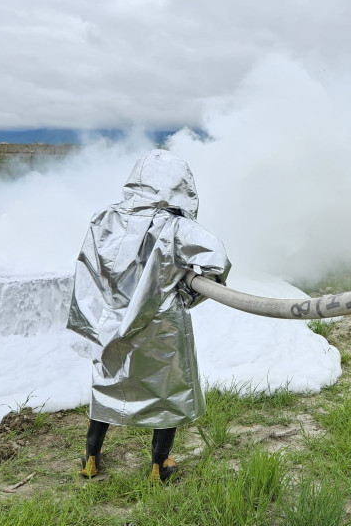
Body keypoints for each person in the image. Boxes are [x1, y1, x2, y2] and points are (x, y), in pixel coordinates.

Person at [67, 149, 231, 482]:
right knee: (166, 394)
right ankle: (158, 467)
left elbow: (87, 272)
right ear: (179, 184)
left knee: (107, 386)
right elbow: (216, 263)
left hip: (110, 322)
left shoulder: (104, 219)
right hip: (161, 327)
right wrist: (187, 295)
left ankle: (91, 459)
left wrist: (97, 318)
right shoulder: (177, 226)